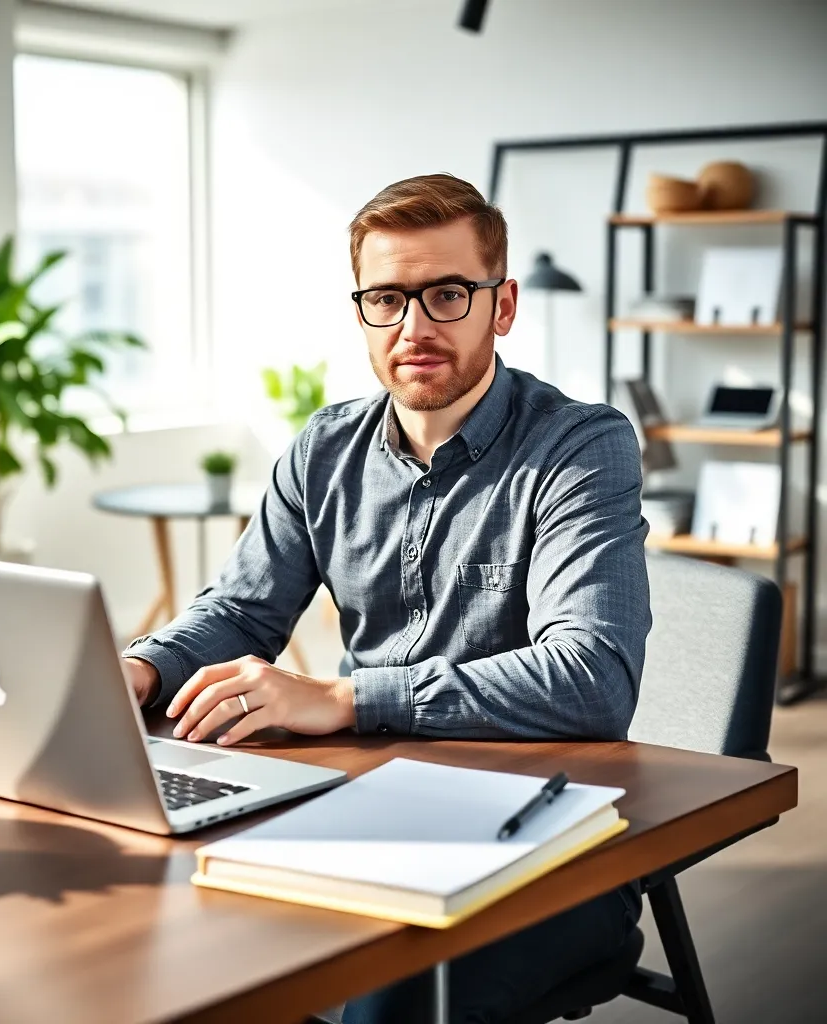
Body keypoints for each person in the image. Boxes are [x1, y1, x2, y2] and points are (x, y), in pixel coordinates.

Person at [121, 173, 650, 1023]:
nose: (415, 328)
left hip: (541, 836)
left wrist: (345, 697)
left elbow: (590, 676)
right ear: (361, 308)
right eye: (387, 299)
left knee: (373, 997)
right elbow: (245, 610)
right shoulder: (324, 448)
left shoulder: (581, 448)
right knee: (179, 940)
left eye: (447, 295)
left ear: (502, 305)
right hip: (354, 807)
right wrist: (142, 669)